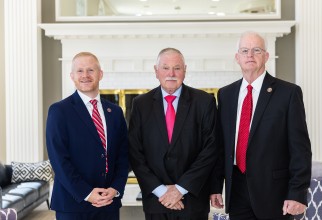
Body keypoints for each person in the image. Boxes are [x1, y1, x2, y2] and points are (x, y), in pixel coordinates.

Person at [210, 32, 312, 220]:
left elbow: (300, 149)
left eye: (256, 50)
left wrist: (297, 193)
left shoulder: (288, 93)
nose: (250, 55)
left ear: (266, 56)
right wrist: (216, 187)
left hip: (275, 194)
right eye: (245, 51)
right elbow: (220, 146)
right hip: (237, 190)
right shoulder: (225, 95)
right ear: (237, 57)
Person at [128, 47, 218, 220]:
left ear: (185, 70)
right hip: (156, 201)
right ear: (156, 71)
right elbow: (134, 152)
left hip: (192, 199)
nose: (171, 73)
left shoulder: (204, 102)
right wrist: (162, 191)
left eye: (177, 68)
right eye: (165, 67)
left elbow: (211, 149)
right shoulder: (141, 104)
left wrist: (180, 189)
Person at [46, 52, 129, 220]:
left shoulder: (115, 112)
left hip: (108, 202)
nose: (85, 75)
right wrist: (86, 193)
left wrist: (115, 188)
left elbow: (123, 155)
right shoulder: (59, 111)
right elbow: (59, 160)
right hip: (73, 203)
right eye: (80, 71)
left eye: (91, 70)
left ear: (100, 74)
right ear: (72, 76)